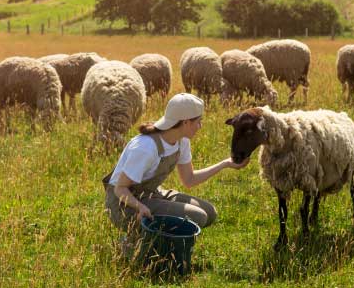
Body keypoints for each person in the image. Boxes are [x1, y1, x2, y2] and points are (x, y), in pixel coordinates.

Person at [102, 93, 249, 238]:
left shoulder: (181, 141)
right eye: (198, 121)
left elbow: (189, 180)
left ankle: (156, 238)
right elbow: (120, 189)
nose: (200, 126)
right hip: (123, 204)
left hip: (149, 193)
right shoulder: (145, 147)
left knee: (210, 213)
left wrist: (225, 164)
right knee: (198, 217)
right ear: (185, 122)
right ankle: (138, 243)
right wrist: (140, 206)